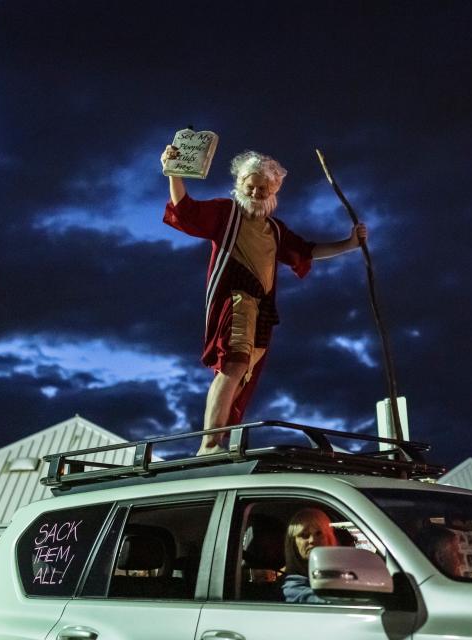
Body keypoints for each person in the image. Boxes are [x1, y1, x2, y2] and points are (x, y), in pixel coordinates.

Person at [161, 146, 368, 455]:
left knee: (244, 375)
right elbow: (186, 209)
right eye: (251, 186)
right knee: (233, 366)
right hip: (236, 299)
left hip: (263, 307)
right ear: (240, 184)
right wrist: (174, 172)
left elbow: (307, 251)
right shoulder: (226, 212)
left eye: (263, 188)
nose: (256, 192)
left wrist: (350, 244)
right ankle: (210, 443)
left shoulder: (274, 229)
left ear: (273, 191)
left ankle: (224, 441)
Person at [281, 508, 339, 603]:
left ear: (329, 538)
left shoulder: (341, 574)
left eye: (319, 533)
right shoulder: (293, 587)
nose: (312, 540)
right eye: (304, 535)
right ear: (293, 544)